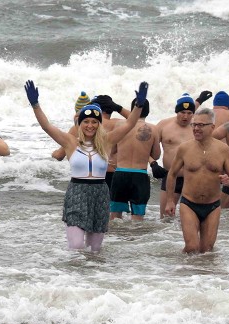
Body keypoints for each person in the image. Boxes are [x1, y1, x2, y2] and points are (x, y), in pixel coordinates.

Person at [24, 80, 147, 252]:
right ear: (80, 123)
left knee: (94, 250)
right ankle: (71, 277)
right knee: (76, 246)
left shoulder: (107, 141)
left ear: (99, 124)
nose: (90, 125)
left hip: (100, 194)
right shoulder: (70, 142)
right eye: (86, 121)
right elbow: (46, 126)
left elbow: (129, 124)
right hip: (77, 193)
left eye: (94, 122)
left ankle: (90, 279)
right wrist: (35, 105)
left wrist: (139, 105)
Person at [164, 108, 229, 254]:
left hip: (213, 206)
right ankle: (181, 273)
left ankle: (202, 277)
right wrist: (170, 201)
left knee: (207, 250)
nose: (196, 128)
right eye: (194, 125)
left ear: (212, 127)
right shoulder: (184, 148)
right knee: (192, 247)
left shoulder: (223, 149)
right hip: (189, 203)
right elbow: (171, 174)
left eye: (201, 125)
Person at [152, 92, 207, 218]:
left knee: (195, 217)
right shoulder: (163, 125)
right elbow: (145, 147)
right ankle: (167, 239)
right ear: (176, 111)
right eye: (182, 112)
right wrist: (152, 163)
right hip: (171, 177)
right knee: (165, 218)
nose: (185, 116)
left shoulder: (198, 127)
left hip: (194, 177)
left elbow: (211, 148)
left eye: (189, 113)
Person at [109, 98, 160, 220]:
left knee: (115, 217)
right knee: (137, 219)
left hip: (120, 174)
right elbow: (157, 155)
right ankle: (135, 240)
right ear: (148, 112)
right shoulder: (153, 129)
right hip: (140, 175)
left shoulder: (120, 125)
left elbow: (112, 150)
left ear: (132, 110)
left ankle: (114, 240)